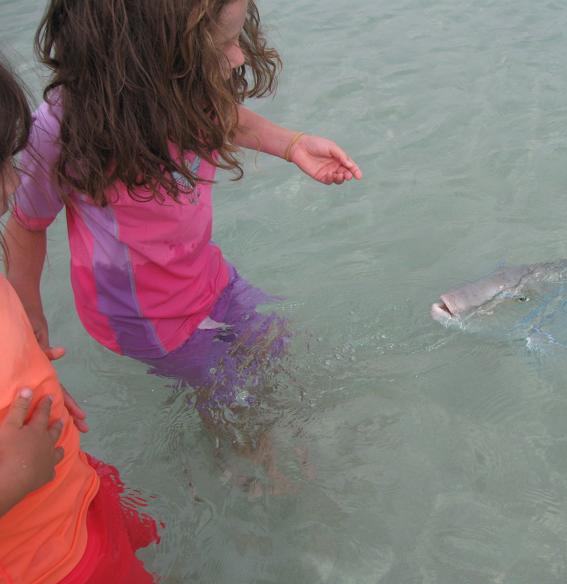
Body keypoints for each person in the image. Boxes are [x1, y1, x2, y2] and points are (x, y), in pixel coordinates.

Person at [4, 0, 362, 421]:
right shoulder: (62, 130)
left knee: (276, 348)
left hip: (208, 277)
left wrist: (292, 143)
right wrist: (27, 318)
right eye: (225, 43)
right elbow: (27, 224)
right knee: (233, 401)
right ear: (150, 56)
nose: (239, 56)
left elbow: (222, 117)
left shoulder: (178, 88)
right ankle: (244, 467)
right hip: (143, 317)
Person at [0, 55, 159, 584]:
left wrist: (37, 381)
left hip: (76, 490)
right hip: (44, 563)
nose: (12, 181)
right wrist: (10, 477)